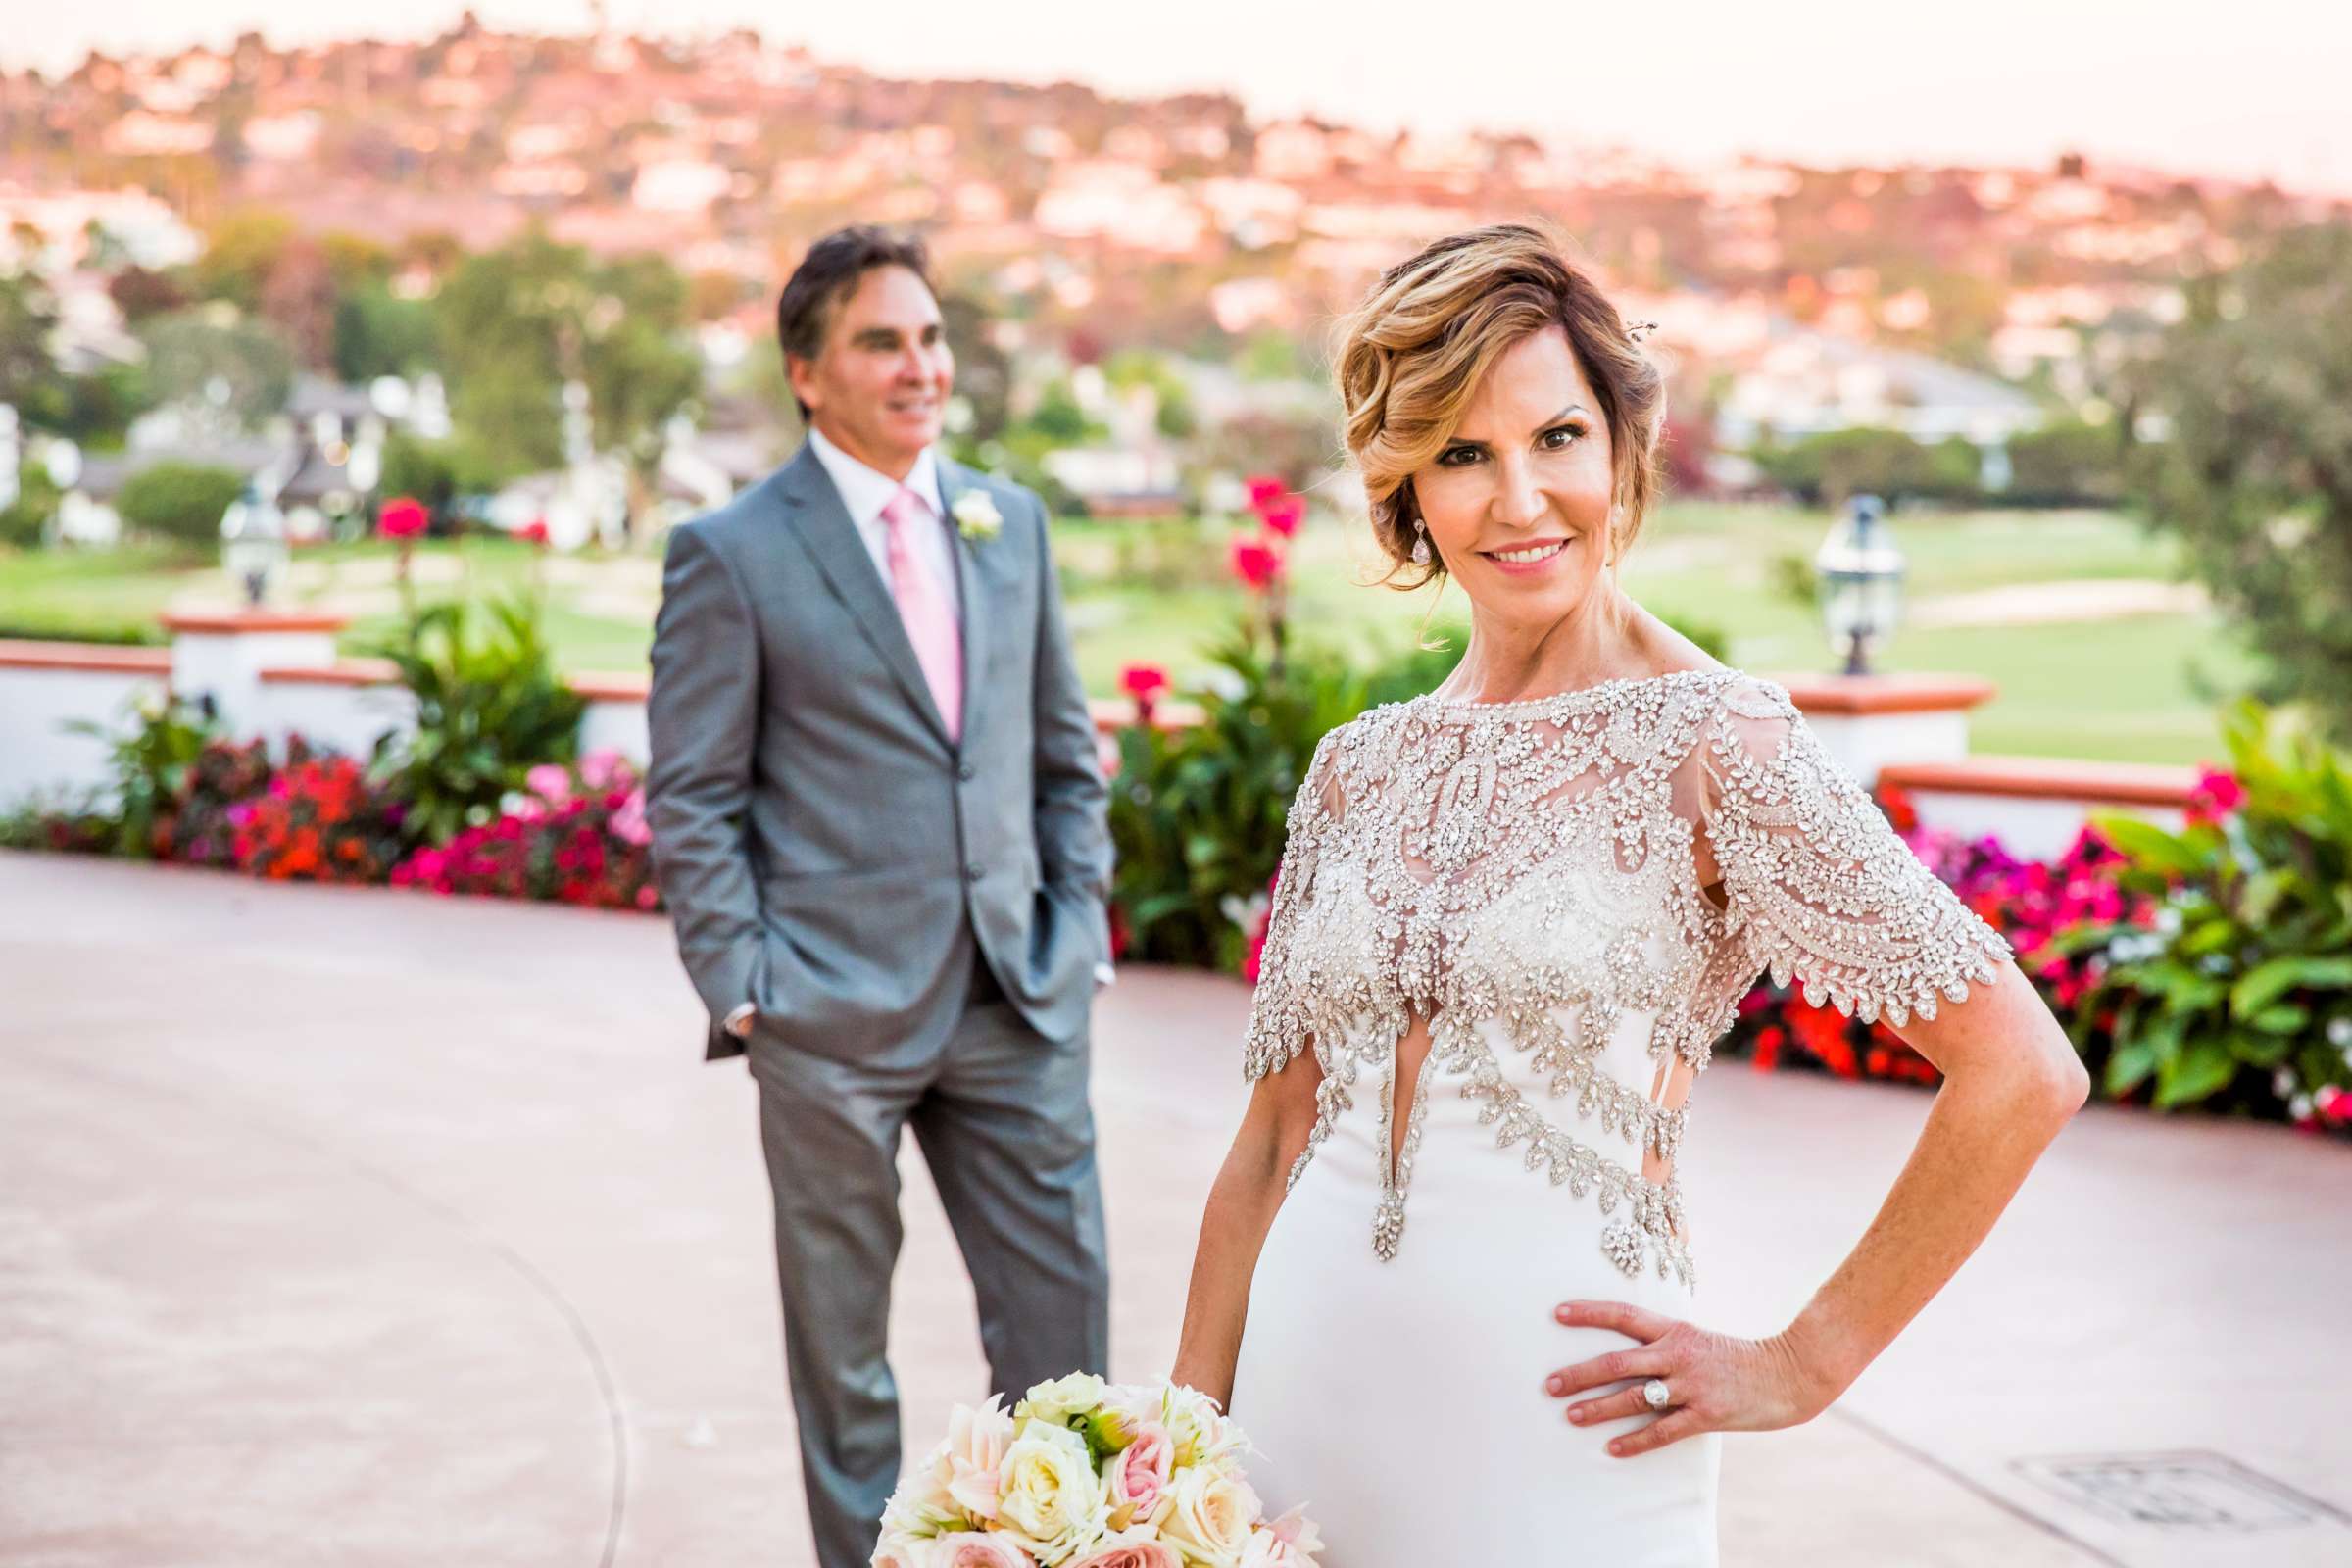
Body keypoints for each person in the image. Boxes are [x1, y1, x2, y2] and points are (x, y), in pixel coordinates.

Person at [1168, 223, 2091, 1564]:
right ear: (1405, 489)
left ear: (1622, 449)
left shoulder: (1722, 747)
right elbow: (1268, 1143)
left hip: (1568, 1433)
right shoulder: (1357, 769)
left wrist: (1804, 1362)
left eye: (1557, 439)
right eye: (1463, 456)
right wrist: (1182, 1450)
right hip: (1302, 1418)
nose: (1521, 499)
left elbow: (2023, 1074)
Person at [644, 224, 1115, 1568]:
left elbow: (1062, 758)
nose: (920, 367)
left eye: (931, 338)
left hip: (1018, 998)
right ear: (808, 372)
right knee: (846, 1372)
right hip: (826, 1021)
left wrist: (1075, 935)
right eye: (880, 342)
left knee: (1063, 1346)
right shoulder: (730, 553)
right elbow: (691, 795)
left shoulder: (1006, 520)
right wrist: (750, 992)